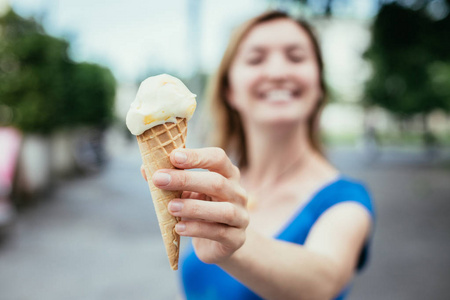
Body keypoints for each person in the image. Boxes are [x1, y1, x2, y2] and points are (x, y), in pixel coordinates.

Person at [142, 10, 375, 300]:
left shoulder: (346, 201)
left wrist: (236, 244)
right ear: (230, 90)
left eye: (296, 57)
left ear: (318, 86)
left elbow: (323, 282)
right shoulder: (213, 191)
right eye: (256, 59)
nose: (278, 72)